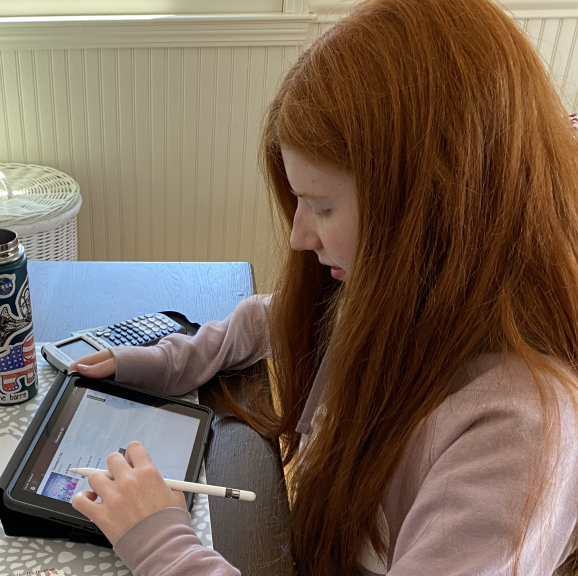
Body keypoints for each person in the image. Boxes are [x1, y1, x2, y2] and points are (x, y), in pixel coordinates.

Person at [67, 0, 578, 573]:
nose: (298, 235)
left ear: (437, 206)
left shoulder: (519, 438)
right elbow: (279, 315)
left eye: (323, 206)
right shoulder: (404, 293)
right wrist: (170, 360)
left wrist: (162, 546)